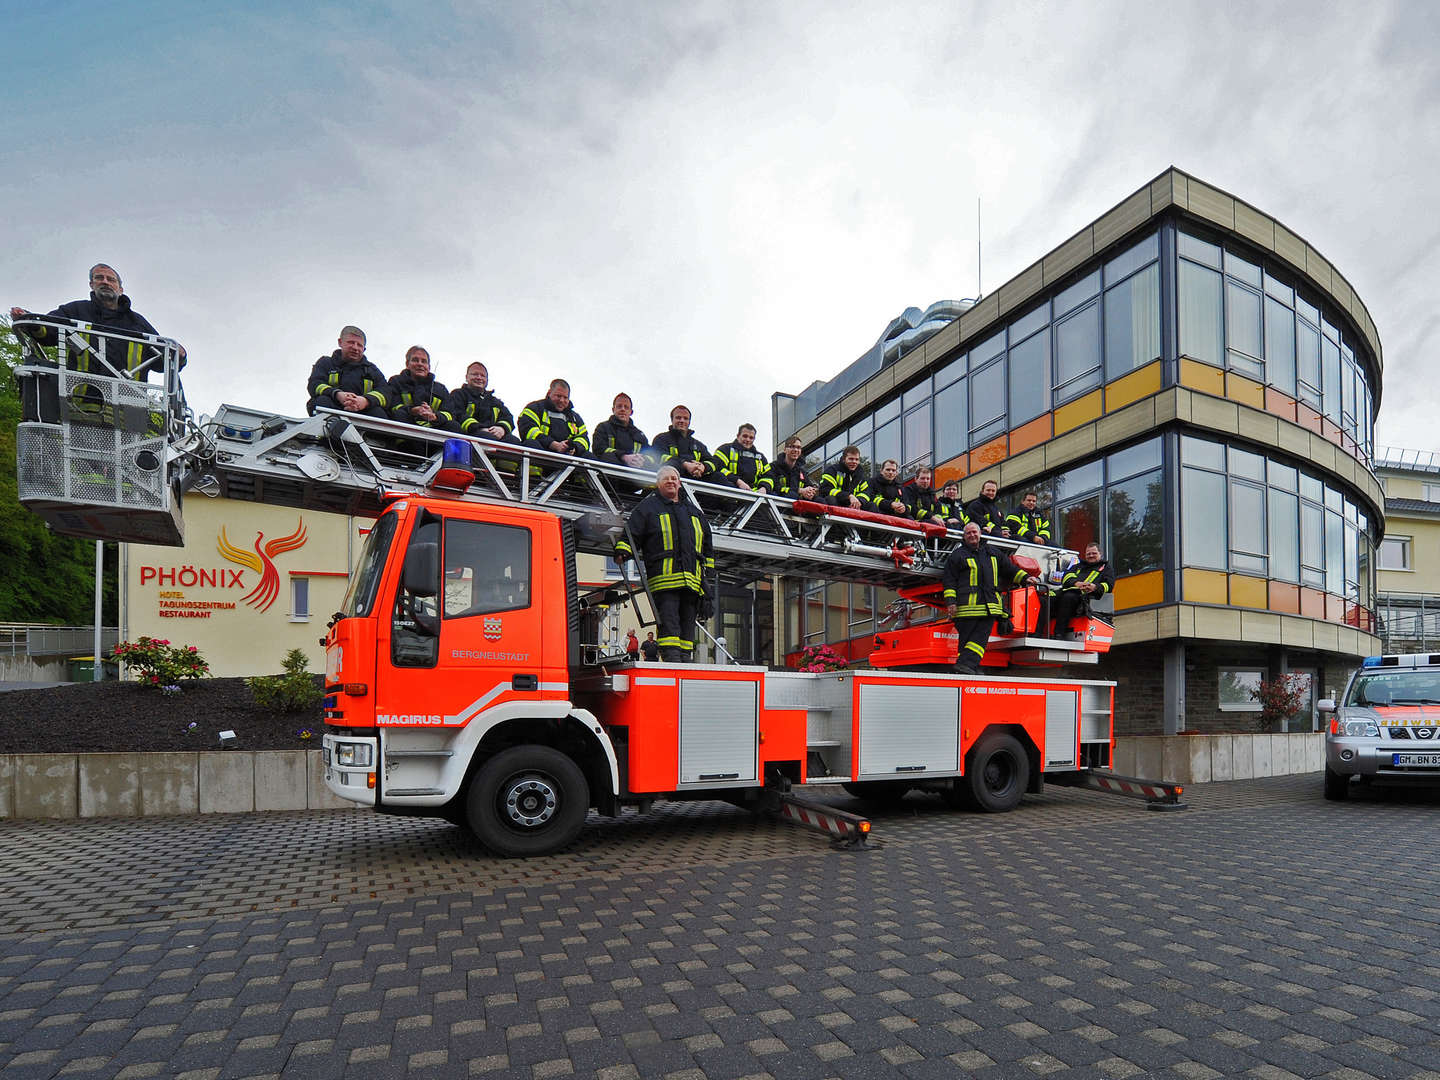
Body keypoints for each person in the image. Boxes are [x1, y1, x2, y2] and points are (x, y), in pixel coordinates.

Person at [10, 262, 185, 379]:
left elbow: (160, 360)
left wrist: (179, 355)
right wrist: (29, 320)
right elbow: (48, 331)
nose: (105, 282)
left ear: (120, 288)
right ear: (91, 285)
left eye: (111, 279)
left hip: (130, 409)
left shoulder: (137, 323)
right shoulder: (74, 311)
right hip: (80, 406)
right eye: (99, 278)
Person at [615, 465, 715, 663]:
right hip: (664, 579)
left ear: (679, 483)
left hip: (692, 581)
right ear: (658, 484)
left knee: (687, 624)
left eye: (674, 478)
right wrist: (622, 551)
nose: (670, 481)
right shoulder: (647, 509)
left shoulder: (694, 513)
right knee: (669, 622)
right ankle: (671, 660)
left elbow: (707, 544)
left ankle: (685, 659)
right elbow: (632, 532)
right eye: (665, 479)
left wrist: (709, 572)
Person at [943, 521, 1038, 675]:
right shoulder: (957, 556)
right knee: (970, 641)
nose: (972, 535)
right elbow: (949, 580)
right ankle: (965, 666)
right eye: (968, 533)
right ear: (964, 536)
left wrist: (1025, 577)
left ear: (980, 534)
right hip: (965, 608)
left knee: (977, 640)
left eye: (974, 532)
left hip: (989, 606)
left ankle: (966, 666)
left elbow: (1009, 568)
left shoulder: (993, 552)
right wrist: (951, 602)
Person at [307, 326, 389, 417]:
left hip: (362, 413)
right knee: (322, 401)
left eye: (359, 345)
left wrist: (365, 401)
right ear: (340, 342)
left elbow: (385, 393)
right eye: (351, 342)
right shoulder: (326, 363)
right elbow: (315, 384)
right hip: (333, 408)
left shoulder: (372, 370)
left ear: (364, 349)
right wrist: (337, 394)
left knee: (378, 412)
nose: (355, 347)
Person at [1050, 541, 1115, 638]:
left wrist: (1095, 587)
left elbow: (1109, 585)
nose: (1091, 555)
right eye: (1088, 554)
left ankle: (1059, 634)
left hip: (1088, 598)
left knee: (1068, 598)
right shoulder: (1078, 566)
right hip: (1068, 592)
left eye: (1094, 553)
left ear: (1100, 554)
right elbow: (1066, 577)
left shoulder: (1106, 568)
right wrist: (1076, 583)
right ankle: (1039, 633)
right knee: (1047, 598)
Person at [387, 345, 457, 432]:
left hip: (434, 430)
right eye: (415, 360)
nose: (420, 364)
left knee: (454, 426)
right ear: (407, 364)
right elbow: (392, 406)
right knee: (399, 415)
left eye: (424, 361)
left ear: (429, 367)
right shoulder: (396, 381)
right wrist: (412, 410)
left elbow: (450, 414)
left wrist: (435, 416)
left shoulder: (440, 389)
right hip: (406, 431)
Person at [445, 362, 516, 442]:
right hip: (468, 436)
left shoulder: (495, 402)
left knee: (514, 441)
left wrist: (502, 428)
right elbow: (458, 414)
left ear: (487, 380)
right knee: (486, 437)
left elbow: (508, 418)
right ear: (466, 377)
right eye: (475, 374)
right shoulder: (458, 394)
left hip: (493, 436)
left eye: (483, 376)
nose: (479, 378)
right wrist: (479, 428)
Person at [519, 378, 590, 457]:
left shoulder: (575, 418)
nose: (562, 400)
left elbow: (584, 439)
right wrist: (554, 445)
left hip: (568, 459)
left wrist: (574, 447)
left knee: (589, 456)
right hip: (542, 455)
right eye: (558, 396)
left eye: (565, 397)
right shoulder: (535, 408)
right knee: (531, 444)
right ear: (549, 393)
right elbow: (528, 430)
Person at [652, 405, 719, 480]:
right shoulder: (661, 439)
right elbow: (659, 457)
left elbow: (713, 462)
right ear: (672, 420)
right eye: (678, 418)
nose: (682, 421)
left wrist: (703, 467)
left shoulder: (698, 445)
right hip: (671, 480)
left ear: (689, 421)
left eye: (685, 418)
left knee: (719, 477)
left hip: (696, 481)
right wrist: (685, 465)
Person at [591, 392, 652, 467]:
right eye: (619, 406)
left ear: (631, 412)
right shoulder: (603, 428)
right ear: (613, 409)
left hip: (634, 475)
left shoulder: (639, 435)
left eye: (626, 407)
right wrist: (623, 457)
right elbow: (599, 449)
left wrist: (642, 460)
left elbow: (651, 456)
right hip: (608, 474)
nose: (622, 409)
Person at [760, 436, 818, 501]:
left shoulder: (801, 471)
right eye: (792, 447)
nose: (796, 450)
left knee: (820, 501)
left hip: (797, 504)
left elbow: (808, 486)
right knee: (792, 495)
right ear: (785, 450)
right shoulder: (773, 467)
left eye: (798, 448)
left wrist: (811, 492)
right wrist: (799, 490)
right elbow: (775, 488)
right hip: (778, 503)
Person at [714, 423, 768, 490]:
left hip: (755, 494)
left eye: (751, 438)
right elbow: (718, 467)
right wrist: (738, 481)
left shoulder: (760, 457)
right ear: (738, 436)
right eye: (745, 436)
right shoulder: (725, 450)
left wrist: (764, 488)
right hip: (731, 490)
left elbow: (768, 476)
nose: (748, 440)